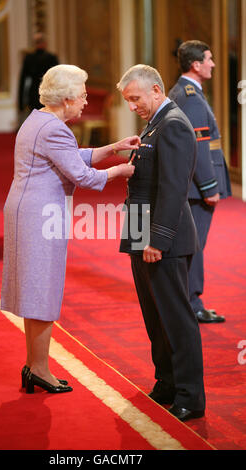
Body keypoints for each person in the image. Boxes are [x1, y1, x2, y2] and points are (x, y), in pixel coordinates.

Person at [1, 64, 140, 395]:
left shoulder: (40, 120)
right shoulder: (55, 129)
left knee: (35, 292)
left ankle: (35, 366)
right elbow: (83, 176)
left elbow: (69, 157)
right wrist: (120, 170)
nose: (85, 100)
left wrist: (111, 148)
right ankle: (39, 369)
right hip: (39, 216)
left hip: (26, 210)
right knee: (43, 292)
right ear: (65, 98)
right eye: (82, 95)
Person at [117, 64, 205, 421]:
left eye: (135, 98)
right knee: (154, 318)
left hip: (161, 237)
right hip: (141, 230)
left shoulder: (173, 125)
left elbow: (172, 189)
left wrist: (158, 240)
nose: (132, 106)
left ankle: (190, 396)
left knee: (176, 319)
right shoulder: (156, 121)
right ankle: (166, 383)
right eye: (127, 100)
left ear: (156, 90)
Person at [169, 40, 231, 323]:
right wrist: (209, 186)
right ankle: (192, 303)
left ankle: (188, 301)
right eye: (209, 59)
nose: (213, 64)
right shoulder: (191, 97)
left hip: (190, 186)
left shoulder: (183, 91)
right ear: (196, 64)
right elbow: (198, 145)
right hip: (197, 188)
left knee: (191, 244)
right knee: (194, 245)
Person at [18, 33, 59, 113]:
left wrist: (21, 103)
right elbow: (57, 80)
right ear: (45, 43)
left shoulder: (29, 58)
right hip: (49, 93)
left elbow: (22, 81)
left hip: (34, 94)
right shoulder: (52, 58)